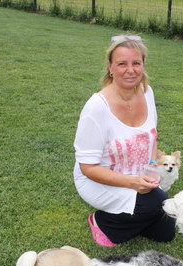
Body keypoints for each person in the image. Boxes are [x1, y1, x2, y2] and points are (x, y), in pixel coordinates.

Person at [73, 35, 175, 247]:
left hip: (137, 175)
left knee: (166, 232)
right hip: (97, 179)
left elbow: (152, 135)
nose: (130, 70)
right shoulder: (96, 108)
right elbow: (87, 168)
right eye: (122, 63)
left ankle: (136, 217)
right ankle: (102, 221)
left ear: (143, 65)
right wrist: (133, 183)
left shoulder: (147, 92)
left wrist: (151, 171)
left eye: (136, 63)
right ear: (110, 67)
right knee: (156, 205)